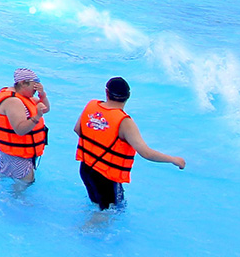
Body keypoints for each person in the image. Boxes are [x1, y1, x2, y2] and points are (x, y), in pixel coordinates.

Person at [75, 77, 185, 209]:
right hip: (106, 177)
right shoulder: (124, 122)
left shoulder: (92, 106)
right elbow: (146, 153)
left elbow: (77, 129)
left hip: (86, 169)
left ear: (106, 92)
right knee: (108, 214)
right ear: (128, 96)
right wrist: (173, 159)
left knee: (96, 205)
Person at [0, 67, 49, 184]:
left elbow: (46, 109)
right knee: (25, 182)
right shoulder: (13, 101)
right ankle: (16, 200)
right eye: (34, 86)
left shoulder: (25, 97)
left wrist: (42, 95)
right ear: (23, 83)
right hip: (17, 155)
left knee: (7, 174)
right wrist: (36, 116)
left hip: (16, 152)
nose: (36, 89)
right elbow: (20, 130)